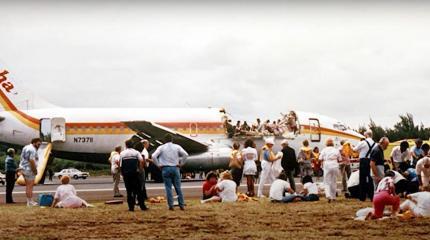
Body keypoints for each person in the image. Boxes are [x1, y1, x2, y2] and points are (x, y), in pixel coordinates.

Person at [152, 134, 189, 211]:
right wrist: (181, 163)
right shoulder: (177, 146)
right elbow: (185, 154)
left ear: (164, 140)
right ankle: (181, 205)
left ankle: (171, 205)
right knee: (178, 187)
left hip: (165, 168)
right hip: (175, 168)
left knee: (168, 188)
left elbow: (153, 156)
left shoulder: (161, 147)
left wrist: (158, 165)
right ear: (172, 140)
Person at [120, 140, 148, 212]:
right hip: (135, 174)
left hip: (126, 174)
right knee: (139, 190)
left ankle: (131, 207)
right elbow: (141, 161)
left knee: (129, 191)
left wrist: (122, 173)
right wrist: (140, 169)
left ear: (126, 145)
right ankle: (142, 206)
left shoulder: (122, 153)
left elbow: (120, 164)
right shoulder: (136, 152)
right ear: (132, 145)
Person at [353, 131, 376, 201]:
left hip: (363, 161)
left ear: (366, 135)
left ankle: (362, 197)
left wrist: (351, 146)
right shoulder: (375, 144)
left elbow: (354, 149)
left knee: (362, 178)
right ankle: (372, 196)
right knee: (370, 178)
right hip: (371, 160)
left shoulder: (363, 142)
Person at [19, 138, 42, 207]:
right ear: (34, 143)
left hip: (23, 168)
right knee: (30, 186)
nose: (39, 145)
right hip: (29, 169)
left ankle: (29, 201)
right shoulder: (33, 150)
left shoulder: (26, 147)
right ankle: (30, 201)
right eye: (38, 144)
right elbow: (31, 161)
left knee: (28, 186)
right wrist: (35, 170)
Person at [319, 138, 341, 203]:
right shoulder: (336, 150)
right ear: (333, 143)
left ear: (326, 143)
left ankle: (328, 195)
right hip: (334, 164)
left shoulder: (324, 150)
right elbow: (339, 159)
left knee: (327, 181)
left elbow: (320, 158)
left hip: (327, 164)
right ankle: (333, 197)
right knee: (333, 181)